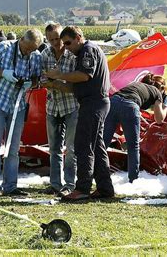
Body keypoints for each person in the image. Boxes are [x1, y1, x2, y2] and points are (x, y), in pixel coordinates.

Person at [44, 26, 114, 201]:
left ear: (78, 37)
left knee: (83, 145)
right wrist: (54, 83)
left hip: (93, 104)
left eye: (68, 43)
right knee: (97, 147)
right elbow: (76, 85)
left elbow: (83, 76)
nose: (66, 47)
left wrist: (60, 73)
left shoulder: (88, 50)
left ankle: (82, 187)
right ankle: (105, 188)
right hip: (93, 102)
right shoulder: (83, 52)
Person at [0, 29, 43, 199]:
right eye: (27, 48)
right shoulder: (3, 48)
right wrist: (3, 73)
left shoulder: (36, 56)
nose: (28, 52)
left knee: (13, 149)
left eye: (33, 49)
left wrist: (31, 83)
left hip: (18, 106)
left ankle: (10, 186)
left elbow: (38, 78)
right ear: (21, 39)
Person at [103, 74, 167, 183]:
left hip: (113, 102)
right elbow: (159, 119)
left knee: (103, 143)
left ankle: (93, 174)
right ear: (162, 89)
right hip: (130, 106)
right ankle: (133, 180)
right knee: (133, 146)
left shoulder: (136, 85)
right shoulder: (157, 92)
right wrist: (165, 105)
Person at [40, 23, 78, 196]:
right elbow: (41, 78)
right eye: (51, 40)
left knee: (70, 148)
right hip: (52, 105)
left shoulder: (73, 55)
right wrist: (49, 82)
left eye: (57, 38)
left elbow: (76, 82)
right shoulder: (45, 54)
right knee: (54, 148)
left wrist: (54, 82)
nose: (56, 42)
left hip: (71, 105)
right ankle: (55, 184)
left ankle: (70, 183)